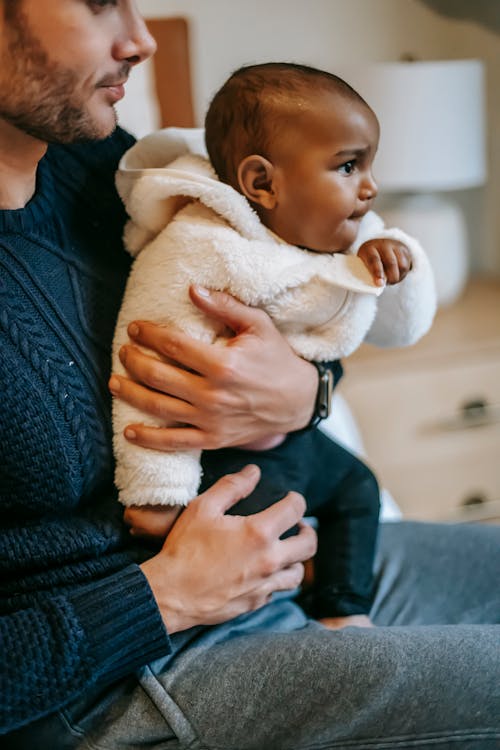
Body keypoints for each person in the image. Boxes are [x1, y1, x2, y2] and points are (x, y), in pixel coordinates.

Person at [0, 1, 499, 748]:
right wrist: (165, 596)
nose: (138, 39)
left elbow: (291, 300)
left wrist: (307, 393)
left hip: (267, 568)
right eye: (100, 1)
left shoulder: (111, 168)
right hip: (112, 673)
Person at [111, 63, 436, 629]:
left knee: (357, 485)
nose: (370, 186)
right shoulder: (200, 250)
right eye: (348, 166)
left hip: (292, 434)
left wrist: (390, 253)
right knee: (264, 513)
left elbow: (382, 328)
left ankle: (343, 610)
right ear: (262, 183)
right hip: (224, 461)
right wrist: (157, 491)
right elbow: (143, 367)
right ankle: (291, 590)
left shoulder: (319, 231)